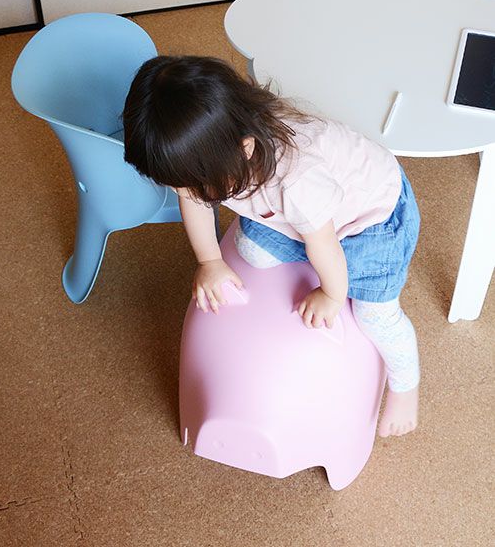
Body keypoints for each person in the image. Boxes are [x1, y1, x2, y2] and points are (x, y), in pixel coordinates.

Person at [123, 55, 421, 438]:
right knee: (250, 251)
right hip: (295, 216)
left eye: (195, 186)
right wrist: (210, 260)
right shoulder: (222, 153)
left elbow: (323, 244)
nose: (187, 195)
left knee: (375, 316)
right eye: (178, 186)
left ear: (244, 149)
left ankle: (406, 386)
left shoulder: (297, 179)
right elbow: (193, 201)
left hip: (372, 220)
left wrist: (332, 294)